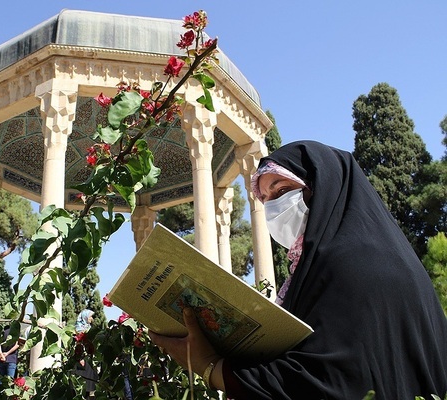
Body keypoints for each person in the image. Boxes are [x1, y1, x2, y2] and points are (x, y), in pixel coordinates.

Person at [150, 141, 447, 400]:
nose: (273, 209)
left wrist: (210, 366)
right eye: (265, 199)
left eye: (282, 190)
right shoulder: (357, 257)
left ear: (325, 188)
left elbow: (329, 381)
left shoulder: (352, 264)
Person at [74, 309, 98, 399]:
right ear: (85, 316)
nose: (91, 318)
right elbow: (78, 346)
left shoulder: (88, 328)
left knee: (89, 384)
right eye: (90, 316)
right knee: (82, 384)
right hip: (82, 360)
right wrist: (80, 359)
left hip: (88, 358)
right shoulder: (79, 329)